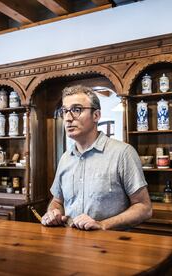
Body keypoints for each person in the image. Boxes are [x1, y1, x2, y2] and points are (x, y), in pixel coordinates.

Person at [41, 85, 152, 230]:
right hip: (69, 244)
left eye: (76, 110)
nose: (67, 118)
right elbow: (57, 201)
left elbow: (144, 208)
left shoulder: (123, 153)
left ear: (96, 116)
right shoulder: (65, 158)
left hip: (110, 246)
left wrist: (102, 224)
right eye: (64, 111)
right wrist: (53, 213)